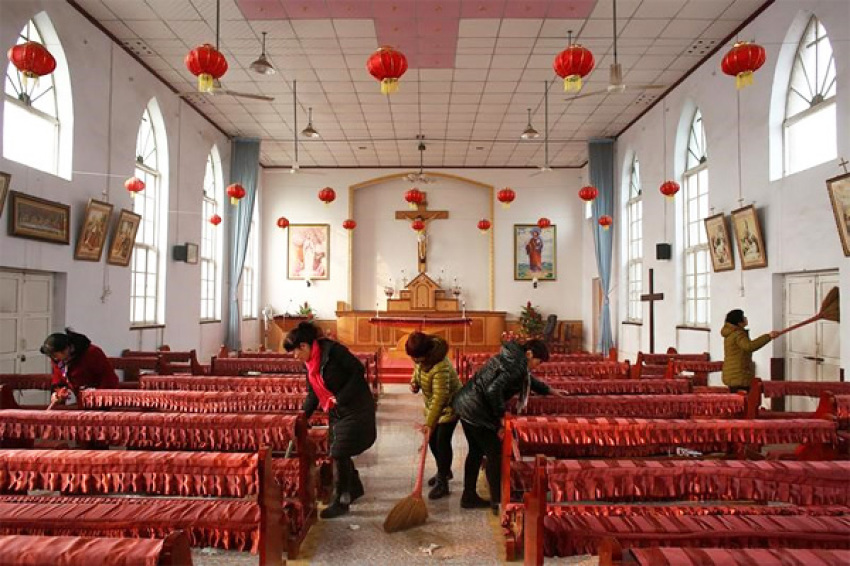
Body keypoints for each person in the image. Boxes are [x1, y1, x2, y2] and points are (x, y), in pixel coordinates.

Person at [284, 321, 377, 519]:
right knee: (337, 450)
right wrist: (302, 417)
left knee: (338, 451)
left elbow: (357, 371)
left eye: (295, 352)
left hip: (356, 406)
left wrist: (341, 397)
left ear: (304, 346)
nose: (295, 357)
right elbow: (313, 394)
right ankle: (355, 486)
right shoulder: (310, 365)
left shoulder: (333, 352)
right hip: (336, 410)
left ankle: (341, 499)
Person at [451, 339, 554, 511]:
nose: (538, 365)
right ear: (529, 354)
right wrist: (500, 416)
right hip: (476, 410)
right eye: (539, 361)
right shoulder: (517, 365)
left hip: (465, 404)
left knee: (476, 452)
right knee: (495, 453)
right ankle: (498, 500)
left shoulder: (513, 358)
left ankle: (469, 496)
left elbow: (526, 379)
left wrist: (549, 390)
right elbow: (493, 390)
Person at [406, 331, 462, 500]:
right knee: (433, 443)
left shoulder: (440, 366)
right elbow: (417, 371)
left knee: (441, 442)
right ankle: (443, 471)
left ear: (426, 353)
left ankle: (443, 482)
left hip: (450, 407)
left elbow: (440, 397)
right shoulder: (423, 358)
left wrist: (429, 424)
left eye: (417, 358)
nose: (415, 361)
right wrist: (414, 383)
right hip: (435, 408)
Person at [40, 328, 119, 405]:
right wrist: (57, 393)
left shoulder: (92, 353)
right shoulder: (57, 359)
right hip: (81, 398)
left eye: (55, 355)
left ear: (66, 349)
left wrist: (100, 399)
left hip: (101, 398)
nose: (54, 358)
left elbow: (108, 378)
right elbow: (58, 378)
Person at [721, 309, 779, 393]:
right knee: (743, 402)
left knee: (737, 401)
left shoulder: (731, 333)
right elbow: (749, 346)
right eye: (743, 317)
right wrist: (768, 337)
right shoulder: (738, 334)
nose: (746, 318)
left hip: (733, 373)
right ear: (739, 322)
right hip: (738, 374)